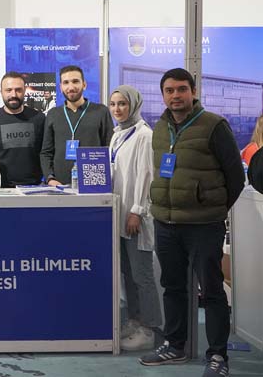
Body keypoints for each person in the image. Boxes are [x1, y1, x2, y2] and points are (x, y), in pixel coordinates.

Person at [139, 68, 245, 377]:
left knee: (211, 291)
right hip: (166, 222)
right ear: (163, 95)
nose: (176, 95)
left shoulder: (214, 125)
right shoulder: (160, 127)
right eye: (169, 90)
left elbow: (235, 177)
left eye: (181, 89)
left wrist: (212, 208)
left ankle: (218, 355)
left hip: (203, 225)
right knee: (172, 287)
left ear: (193, 92)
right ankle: (175, 345)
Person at [108, 85, 162, 351]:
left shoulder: (144, 135)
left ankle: (150, 329)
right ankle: (135, 320)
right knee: (127, 274)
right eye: (113, 104)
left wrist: (137, 211)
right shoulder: (117, 134)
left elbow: (146, 176)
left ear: (134, 105)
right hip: (119, 214)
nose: (117, 109)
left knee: (142, 275)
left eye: (122, 104)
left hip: (134, 216)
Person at [41, 65, 114, 186]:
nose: (70, 87)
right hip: (59, 186)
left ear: (84, 85)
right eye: (66, 82)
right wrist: (50, 178)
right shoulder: (53, 114)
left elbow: (109, 148)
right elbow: (46, 152)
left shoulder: (101, 111)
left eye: (75, 81)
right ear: (61, 87)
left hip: (93, 184)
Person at [0, 72, 45, 187]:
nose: (13, 94)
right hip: (1, 189)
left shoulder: (39, 119)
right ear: (1, 92)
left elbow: (47, 153)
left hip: (34, 188)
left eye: (18, 90)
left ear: (24, 91)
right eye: (8, 90)